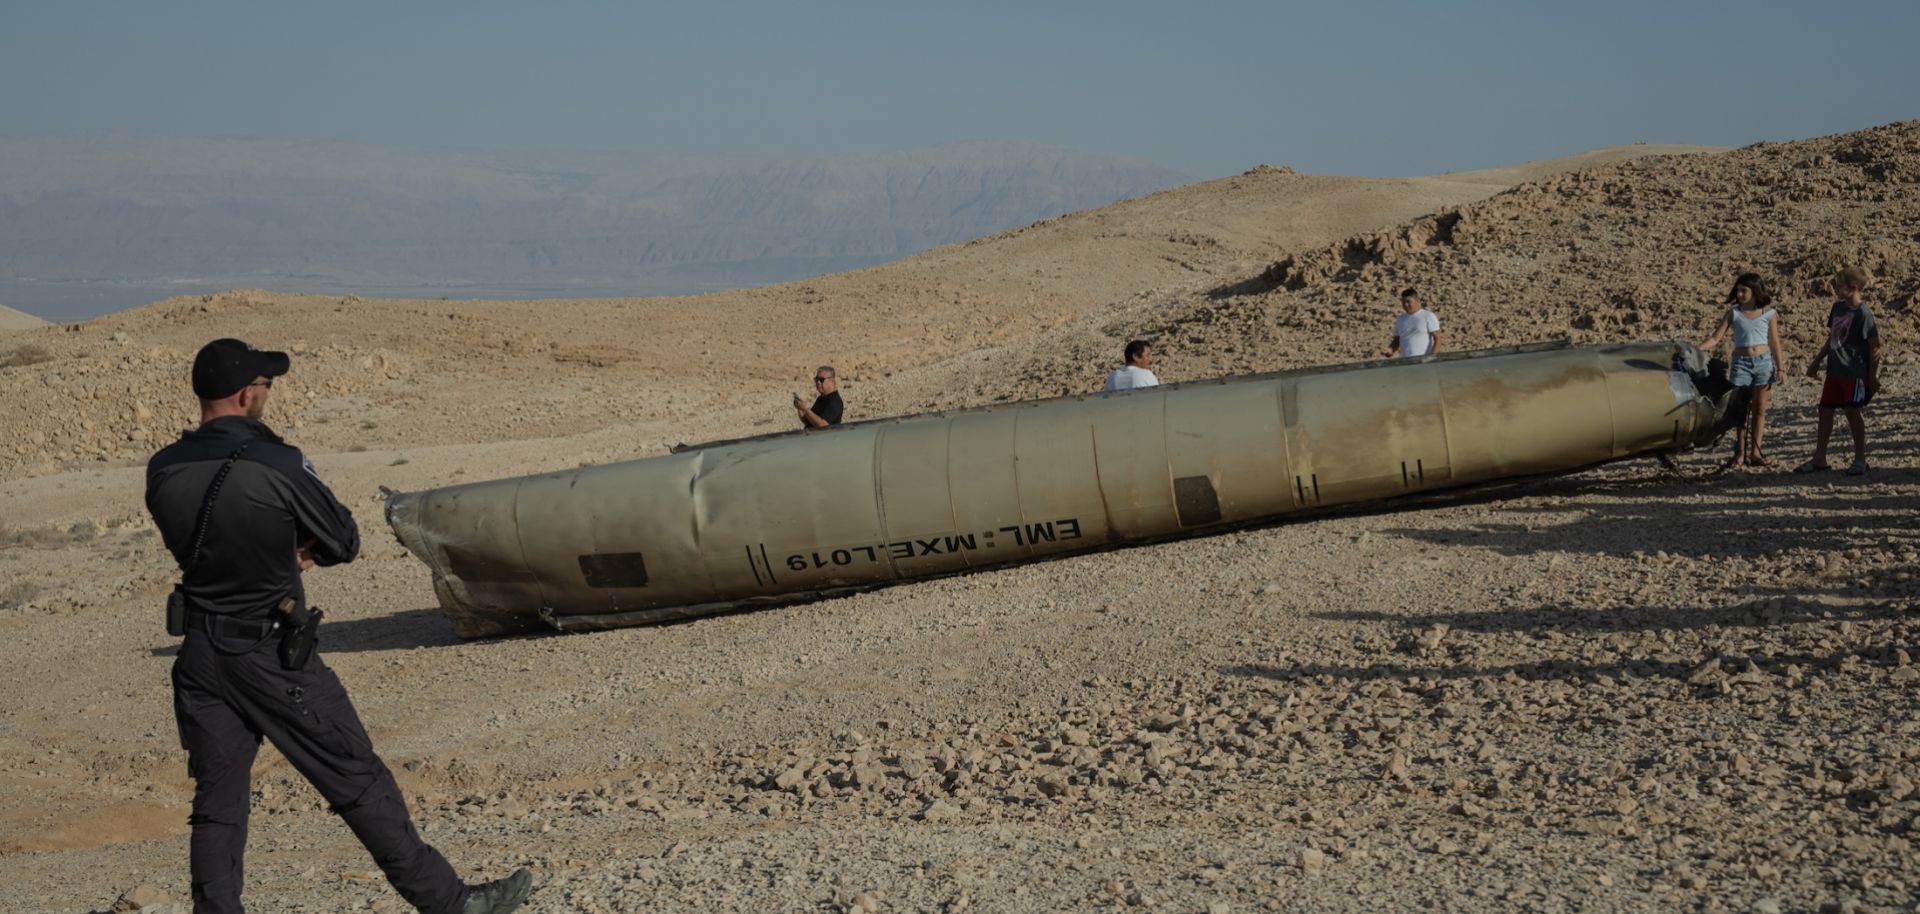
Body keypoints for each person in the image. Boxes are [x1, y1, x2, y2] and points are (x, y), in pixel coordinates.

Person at [145, 339, 531, 914]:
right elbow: (343, 539)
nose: (268, 393)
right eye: (266, 385)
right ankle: (449, 903)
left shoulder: (163, 467)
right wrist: (292, 554)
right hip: (269, 653)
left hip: (200, 652)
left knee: (218, 802)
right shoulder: (275, 461)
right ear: (246, 393)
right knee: (354, 775)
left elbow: (212, 545)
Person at [1796, 267, 1882, 475]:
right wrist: (1817, 361)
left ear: (1852, 288)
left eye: (1839, 285)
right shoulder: (1837, 308)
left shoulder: (1863, 313)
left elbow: (1875, 346)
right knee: (1825, 411)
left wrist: (1871, 376)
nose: (1834, 288)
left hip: (1854, 372)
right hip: (1835, 370)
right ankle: (1819, 458)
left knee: (1852, 411)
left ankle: (1860, 458)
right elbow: (1832, 337)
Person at [1698, 272, 1786, 468]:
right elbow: (1715, 338)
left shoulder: (1768, 313)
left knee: (1760, 409)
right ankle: (1739, 453)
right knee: (1740, 410)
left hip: (1763, 363)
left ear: (1754, 291)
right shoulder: (1734, 313)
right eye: (1737, 290)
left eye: (1743, 290)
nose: (1739, 294)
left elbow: (1774, 341)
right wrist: (1697, 348)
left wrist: (1781, 367)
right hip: (1741, 364)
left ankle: (1755, 453)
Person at [1382, 288, 1442, 358]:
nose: (1406, 304)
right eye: (1403, 302)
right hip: (1406, 362)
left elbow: (1437, 338)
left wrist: (1432, 357)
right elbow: (1397, 340)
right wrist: (1390, 350)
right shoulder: (1400, 319)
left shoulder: (1428, 316)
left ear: (1417, 301)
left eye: (1408, 301)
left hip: (1424, 361)